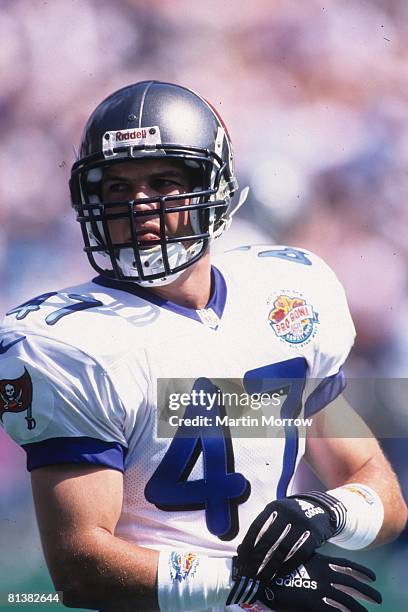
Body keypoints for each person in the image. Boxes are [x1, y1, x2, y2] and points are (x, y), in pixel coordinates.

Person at [0, 80, 406, 612]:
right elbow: (81, 567)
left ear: (215, 190)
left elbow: (382, 494)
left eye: (164, 181)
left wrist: (330, 512)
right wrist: (247, 582)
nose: (138, 203)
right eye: (117, 187)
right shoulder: (66, 342)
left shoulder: (284, 296)